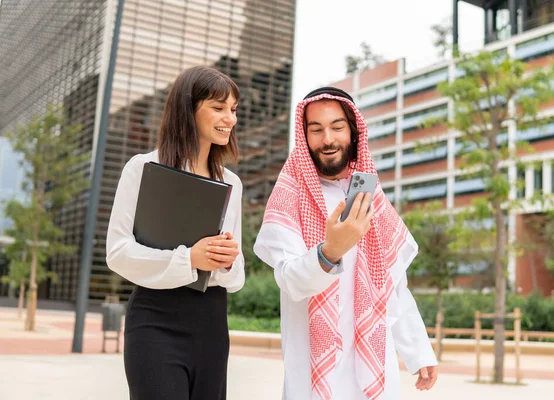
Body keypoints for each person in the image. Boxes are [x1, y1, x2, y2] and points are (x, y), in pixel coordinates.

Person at [253, 87, 438, 400]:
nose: (328, 139)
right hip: (312, 365)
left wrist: (418, 351)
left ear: (353, 133)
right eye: (316, 129)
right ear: (304, 135)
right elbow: (289, 279)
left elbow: (392, 284)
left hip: (372, 359)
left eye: (337, 127)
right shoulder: (290, 194)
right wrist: (330, 252)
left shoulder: (368, 194)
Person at [106, 66, 245, 400]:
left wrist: (227, 262)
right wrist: (189, 258)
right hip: (155, 318)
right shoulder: (142, 168)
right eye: (218, 107)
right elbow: (118, 252)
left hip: (212, 322)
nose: (230, 118)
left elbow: (236, 276)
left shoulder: (232, 183)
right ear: (188, 108)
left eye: (234, 110)